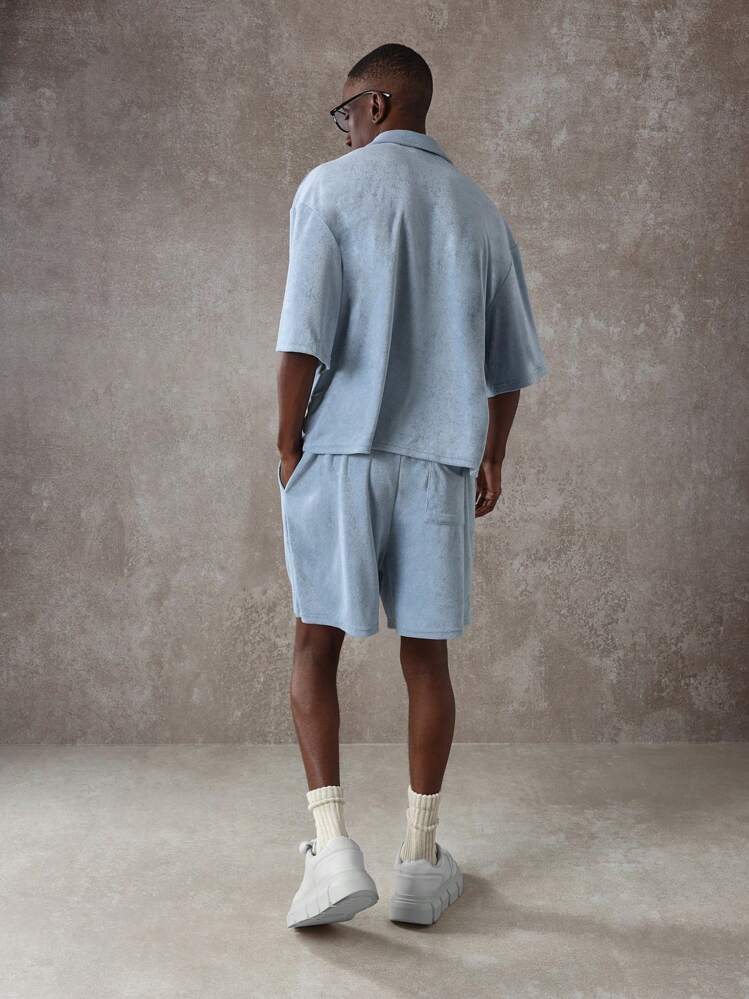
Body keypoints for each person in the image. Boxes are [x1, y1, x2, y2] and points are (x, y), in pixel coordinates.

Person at [276, 43, 549, 929]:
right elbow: (508, 362)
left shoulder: (328, 189)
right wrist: (493, 453)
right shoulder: (478, 210)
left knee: (314, 644)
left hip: (343, 451)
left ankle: (331, 850)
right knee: (425, 658)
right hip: (437, 464)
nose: (343, 129)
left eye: (346, 111)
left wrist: (286, 438)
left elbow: (303, 332)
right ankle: (420, 865)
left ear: (379, 104)